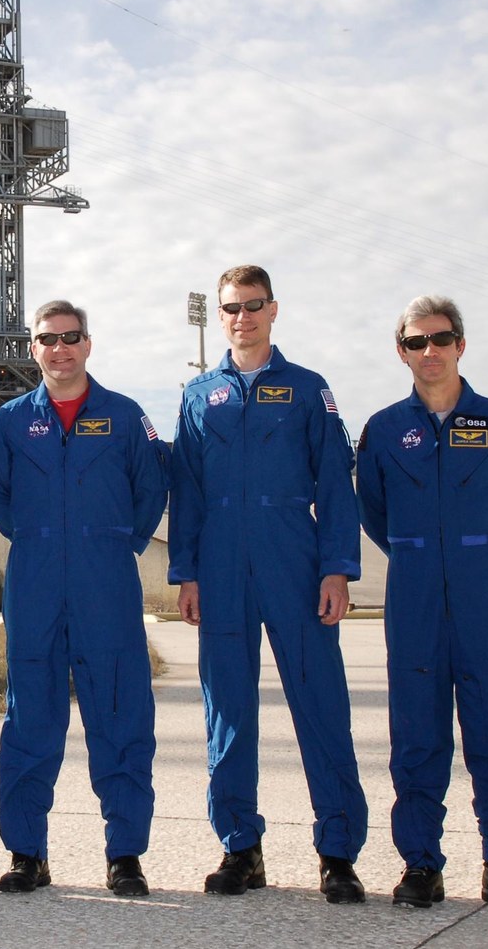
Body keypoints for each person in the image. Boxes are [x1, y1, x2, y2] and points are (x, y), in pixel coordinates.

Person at [169, 264, 369, 902]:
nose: (242, 317)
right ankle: (240, 848)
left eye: (253, 305)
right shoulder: (198, 395)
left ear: (273, 310)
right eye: (231, 307)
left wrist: (336, 566)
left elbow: (335, 482)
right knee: (227, 710)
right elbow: (187, 491)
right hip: (221, 563)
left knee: (321, 704)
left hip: (293, 557)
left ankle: (337, 852)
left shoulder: (308, 389)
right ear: (220, 314)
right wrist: (187, 573)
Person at [355, 296, 488, 911]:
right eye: (416, 342)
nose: (429, 351)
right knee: (417, 731)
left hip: (483, 593)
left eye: (440, 339)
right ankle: (420, 865)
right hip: (413, 595)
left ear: (461, 345)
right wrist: (419, 555)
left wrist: (475, 555)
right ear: (402, 352)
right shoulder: (384, 430)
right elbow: (373, 510)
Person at [0, 300, 167, 896]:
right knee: (30, 718)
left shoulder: (125, 415)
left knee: (120, 713)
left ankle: (125, 855)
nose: (59, 349)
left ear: (87, 344)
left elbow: (151, 489)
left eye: (70, 337)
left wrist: (116, 543)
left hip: (106, 583)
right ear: (32, 348)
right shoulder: (12, 421)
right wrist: (38, 540)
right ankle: (27, 852)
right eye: (47, 339)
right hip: (34, 582)